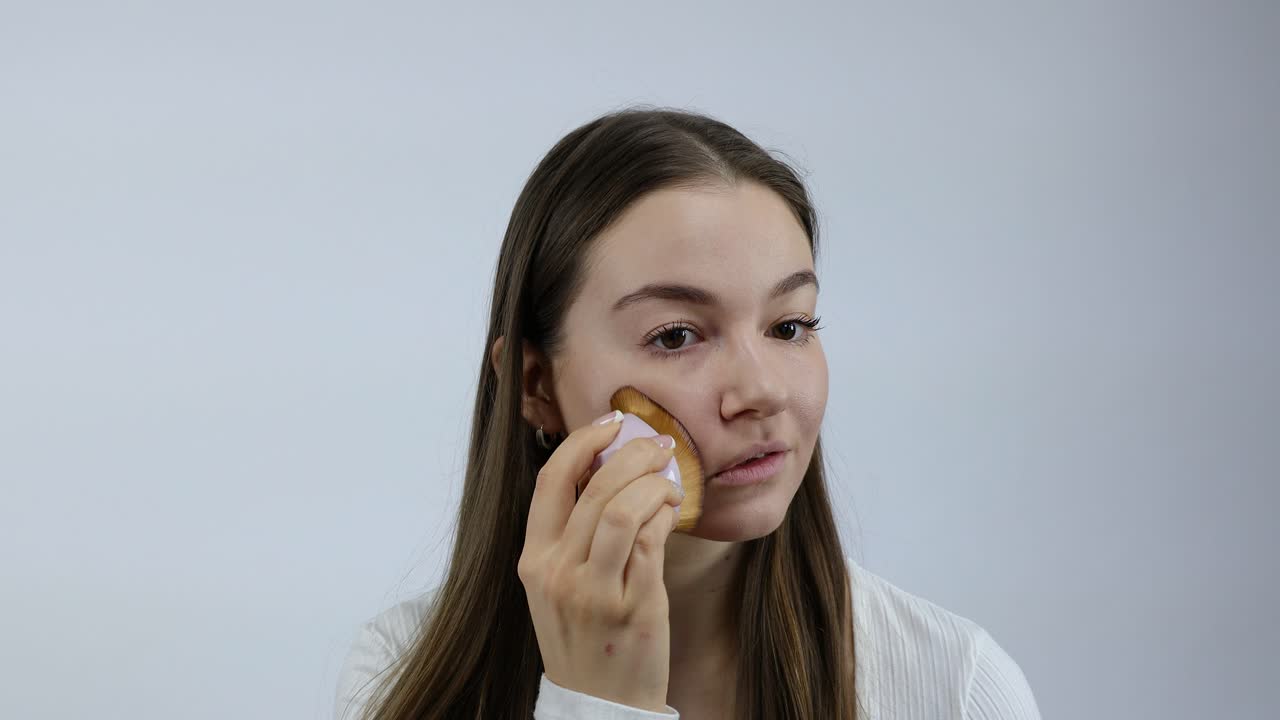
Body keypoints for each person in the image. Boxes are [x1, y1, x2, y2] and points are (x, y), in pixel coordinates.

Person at [334, 106, 1042, 720]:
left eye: (789, 326)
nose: (762, 390)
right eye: (676, 336)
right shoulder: (403, 672)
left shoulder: (956, 686)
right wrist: (598, 702)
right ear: (533, 383)